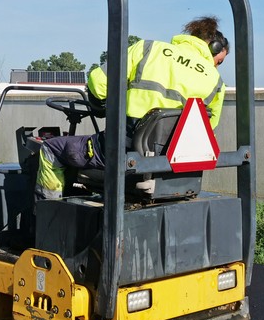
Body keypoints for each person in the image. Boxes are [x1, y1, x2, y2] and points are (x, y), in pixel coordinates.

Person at [36, 15, 229, 200]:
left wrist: (98, 105)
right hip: (165, 166)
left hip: (122, 153)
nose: (216, 66)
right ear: (213, 46)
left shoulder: (148, 48)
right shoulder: (216, 81)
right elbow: (206, 128)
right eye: (218, 62)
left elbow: (98, 82)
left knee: (51, 148)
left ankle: (45, 220)